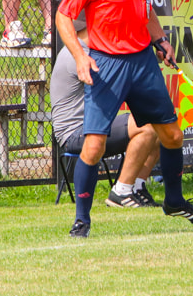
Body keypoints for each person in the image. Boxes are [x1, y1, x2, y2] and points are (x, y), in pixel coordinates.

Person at [56, 0, 193, 238]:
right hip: (107, 64)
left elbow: (145, 8)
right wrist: (80, 57)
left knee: (172, 134)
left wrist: (159, 39)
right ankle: (82, 219)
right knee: (93, 145)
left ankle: (174, 201)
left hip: (142, 62)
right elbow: (63, 16)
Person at [51, 15, 161, 207]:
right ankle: (121, 193)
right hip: (75, 133)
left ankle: (136, 188)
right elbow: (119, 85)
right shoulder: (77, 55)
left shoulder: (93, 53)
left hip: (96, 126)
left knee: (162, 125)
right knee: (149, 124)